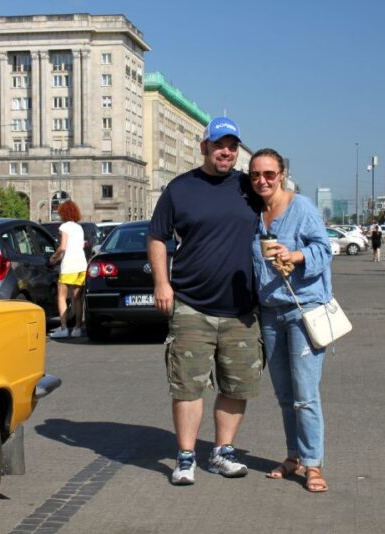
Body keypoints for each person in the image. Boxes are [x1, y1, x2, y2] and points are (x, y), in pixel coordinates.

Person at [148, 117, 263, 486]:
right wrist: (162, 283)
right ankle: (185, 458)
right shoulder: (180, 189)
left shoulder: (249, 187)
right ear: (205, 148)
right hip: (191, 304)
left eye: (232, 146)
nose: (225, 152)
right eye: (219, 145)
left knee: (236, 386)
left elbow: (280, 212)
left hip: (241, 310)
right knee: (187, 385)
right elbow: (156, 237)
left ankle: (222, 452)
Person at [248, 148, 333, 493]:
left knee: (305, 395)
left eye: (269, 174)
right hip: (270, 314)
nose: (262, 181)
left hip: (303, 312)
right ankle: (293, 455)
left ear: (282, 174)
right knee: (285, 395)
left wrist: (296, 255)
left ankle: (313, 465)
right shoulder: (255, 213)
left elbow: (325, 249)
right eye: (255, 175)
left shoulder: (302, 207)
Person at [49, 200, 88, 338]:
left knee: (62, 296)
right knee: (78, 298)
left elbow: (63, 247)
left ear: (63, 213)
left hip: (69, 265)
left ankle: (64, 327)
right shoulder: (79, 228)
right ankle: (77, 328)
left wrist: (53, 258)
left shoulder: (64, 227)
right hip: (82, 265)